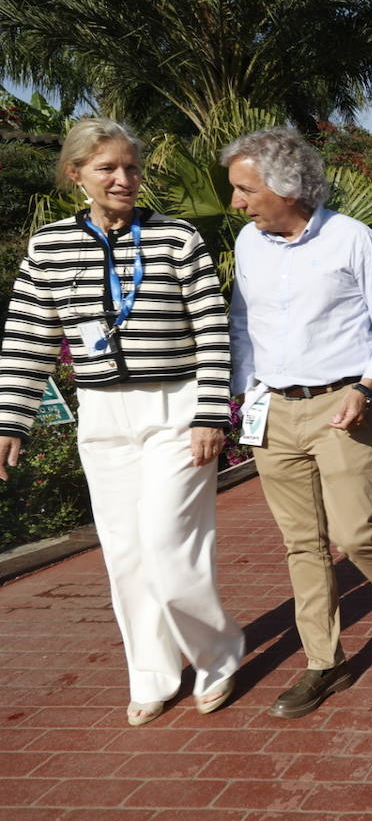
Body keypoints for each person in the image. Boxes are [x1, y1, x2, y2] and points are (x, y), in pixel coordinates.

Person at [0, 118, 243, 726]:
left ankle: (216, 653)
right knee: (126, 553)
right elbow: (29, 338)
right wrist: (12, 420)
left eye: (131, 167)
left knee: (168, 543)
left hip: (178, 407)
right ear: (75, 174)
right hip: (104, 413)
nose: (123, 179)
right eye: (107, 167)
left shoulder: (177, 238)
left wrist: (212, 411)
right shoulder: (49, 247)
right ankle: (153, 673)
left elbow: (214, 330)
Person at [224, 127, 372, 718]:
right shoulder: (247, 243)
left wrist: (367, 388)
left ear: (285, 187)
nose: (237, 201)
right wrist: (246, 390)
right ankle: (324, 662)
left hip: (343, 403)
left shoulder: (351, 239)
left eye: (245, 189)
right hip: (271, 409)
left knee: (355, 530)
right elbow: (242, 321)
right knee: (301, 543)